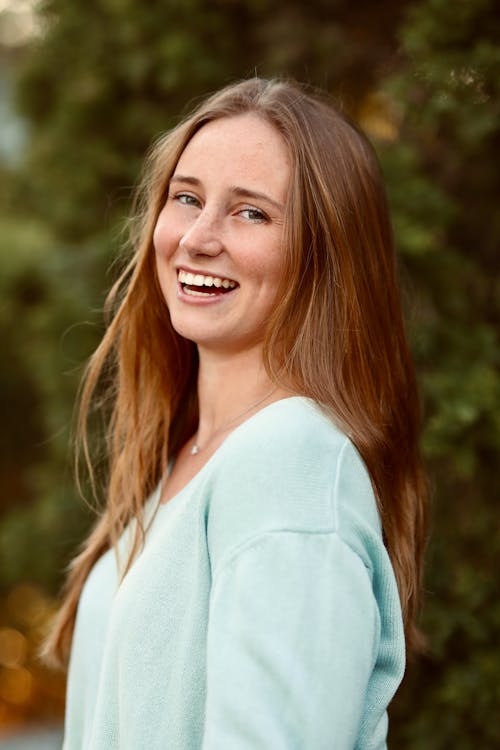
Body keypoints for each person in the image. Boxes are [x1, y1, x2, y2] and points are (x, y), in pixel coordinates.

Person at [44, 77, 428, 749]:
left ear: (324, 251)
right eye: (186, 198)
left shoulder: (293, 462)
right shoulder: (192, 459)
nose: (197, 237)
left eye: (251, 213)